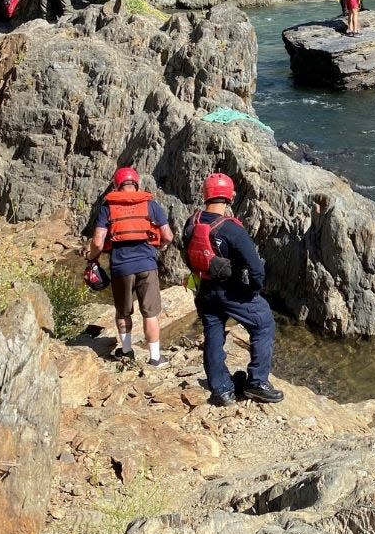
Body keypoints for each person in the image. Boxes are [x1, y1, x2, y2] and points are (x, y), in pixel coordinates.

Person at [184, 172, 283, 406]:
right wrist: (254, 290)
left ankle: (222, 389)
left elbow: (187, 254)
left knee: (213, 333)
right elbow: (256, 268)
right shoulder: (232, 229)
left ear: (205, 195)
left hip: (205, 290)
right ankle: (257, 383)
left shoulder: (192, 222)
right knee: (264, 324)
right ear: (230, 196)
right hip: (232, 291)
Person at [85, 167, 174, 366]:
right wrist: (161, 246)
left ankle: (126, 352)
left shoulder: (107, 207)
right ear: (136, 184)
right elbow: (168, 235)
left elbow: (98, 241)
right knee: (150, 312)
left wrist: (92, 258)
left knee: (123, 312)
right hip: (147, 265)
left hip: (120, 268)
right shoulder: (150, 205)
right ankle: (155, 357)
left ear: (117, 185)